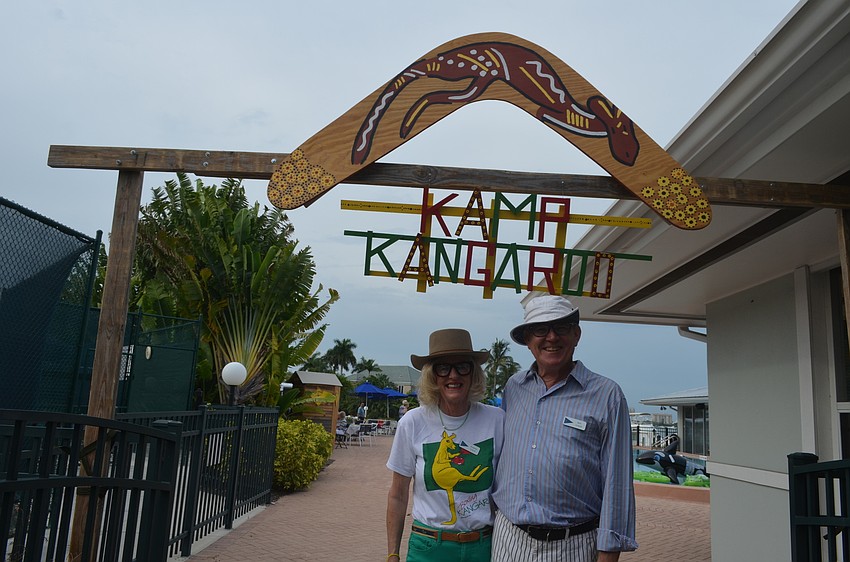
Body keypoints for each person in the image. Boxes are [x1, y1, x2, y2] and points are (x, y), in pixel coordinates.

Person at [491, 295, 637, 561]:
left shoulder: (607, 395)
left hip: (573, 546)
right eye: (540, 329)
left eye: (561, 327)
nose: (551, 337)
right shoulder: (514, 387)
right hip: (508, 539)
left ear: (576, 335)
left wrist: (608, 554)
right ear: (528, 340)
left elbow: (617, 484)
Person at [386, 328, 505, 562]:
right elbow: (398, 495)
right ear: (432, 376)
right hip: (428, 548)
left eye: (462, 367)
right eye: (443, 368)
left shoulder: (497, 420)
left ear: (473, 373)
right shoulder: (412, 422)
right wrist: (392, 554)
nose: (453, 375)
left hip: (483, 548)